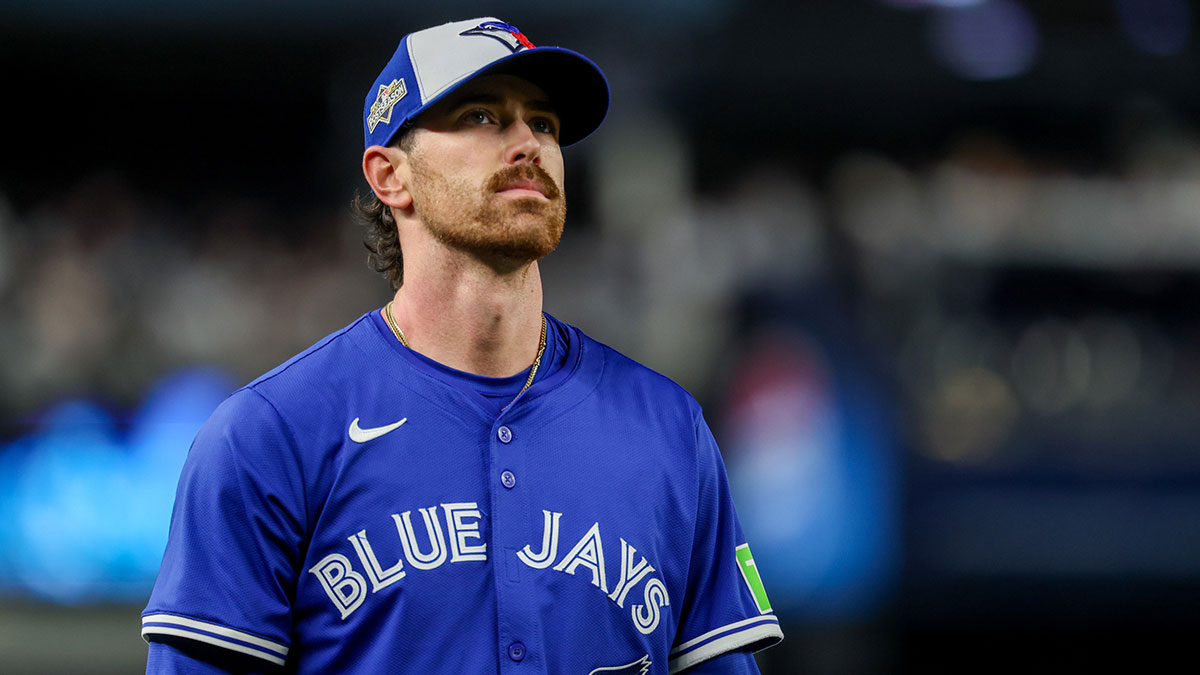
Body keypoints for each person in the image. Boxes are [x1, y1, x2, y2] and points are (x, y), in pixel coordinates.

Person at [141, 17, 783, 674]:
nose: (528, 143)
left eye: (545, 124)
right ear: (390, 175)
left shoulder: (668, 429)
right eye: (482, 116)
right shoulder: (269, 434)